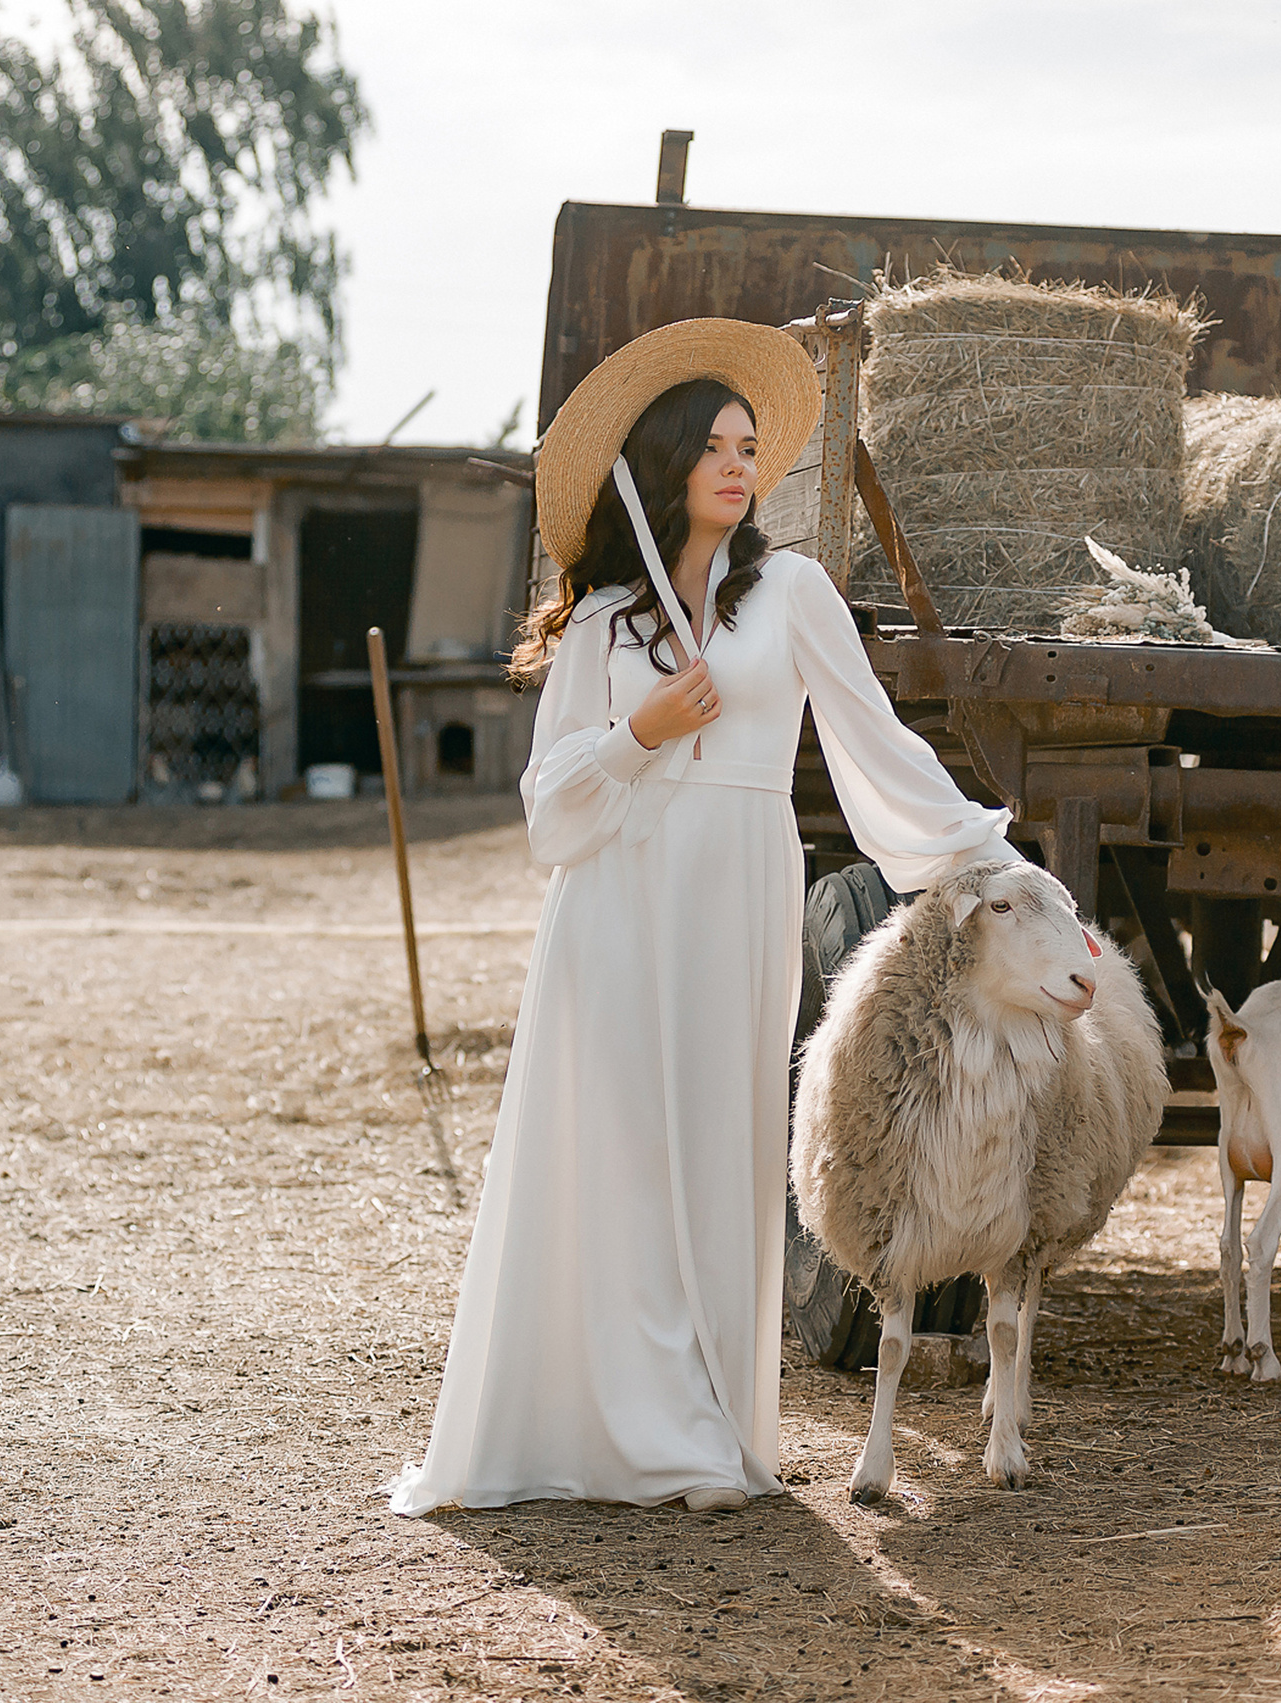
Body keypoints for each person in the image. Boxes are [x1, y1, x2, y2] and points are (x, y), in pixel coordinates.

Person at [387, 318, 1016, 1516]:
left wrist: (980, 848)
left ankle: (707, 1420)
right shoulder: (601, 620)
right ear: (667, 461)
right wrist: (642, 732)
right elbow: (548, 811)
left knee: (720, 1140)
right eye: (715, 446)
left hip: (736, 885)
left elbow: (875, 741)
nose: (737, 465)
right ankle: (637, 1430)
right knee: (619, 1141)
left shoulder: (793, 591)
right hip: (614, 904)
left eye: (748, 447)